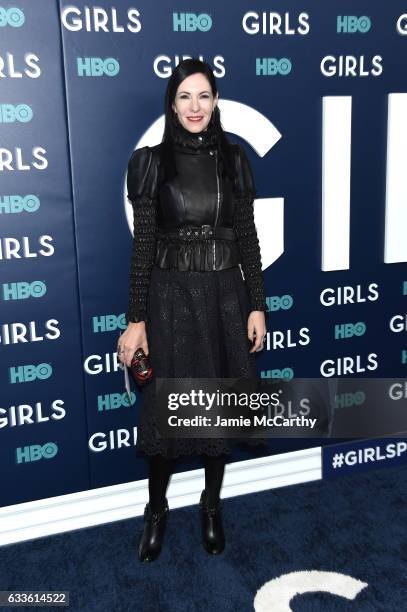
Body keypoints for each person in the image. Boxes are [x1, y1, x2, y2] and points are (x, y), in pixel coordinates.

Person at [117, 58, 268, 563]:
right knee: (170, 414)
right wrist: (136, 319)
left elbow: (247, 236)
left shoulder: (234, 158)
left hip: (225, 295)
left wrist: (257, 305)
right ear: (172, 102)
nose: (195, 106)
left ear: (216, 100)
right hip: (171, 299)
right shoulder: (150, 162)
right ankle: (156, 508)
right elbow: (143, 248)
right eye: (185, 96)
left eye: (204, 95)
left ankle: (210, 504)